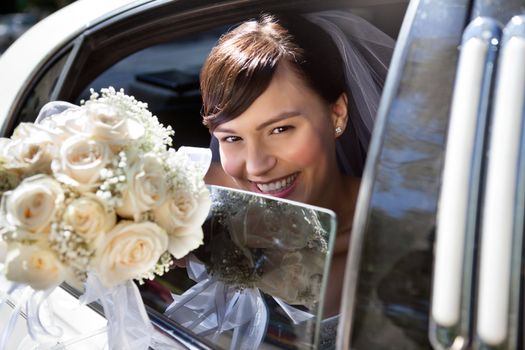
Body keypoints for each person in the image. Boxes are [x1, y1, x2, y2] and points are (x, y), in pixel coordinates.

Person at [200, 9, 394, 323]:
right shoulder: (207, 223)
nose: (257, 166)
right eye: (232, 138)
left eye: (280, 130)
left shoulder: (399, 235)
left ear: (337, 114)